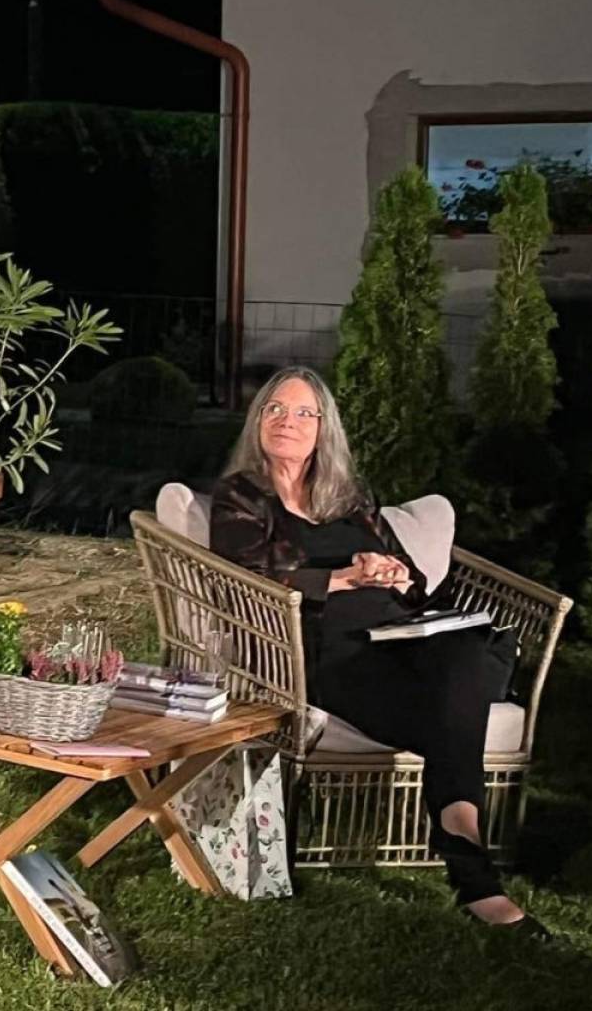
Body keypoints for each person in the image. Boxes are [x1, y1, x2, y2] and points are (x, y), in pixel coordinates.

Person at [208, 366, 548, 938]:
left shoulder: (352, 497)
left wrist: (391, 571)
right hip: (330, 654)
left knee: (464, 654)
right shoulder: (242, 495)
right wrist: (342, 577)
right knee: (460, 697)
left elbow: (414, 583)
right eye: (275, 409)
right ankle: (473, 872)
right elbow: (243, 575)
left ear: (325, 429)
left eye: (304, 413)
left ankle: (466, 854)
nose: (288, 421)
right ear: (258, 421)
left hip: (405, 639)